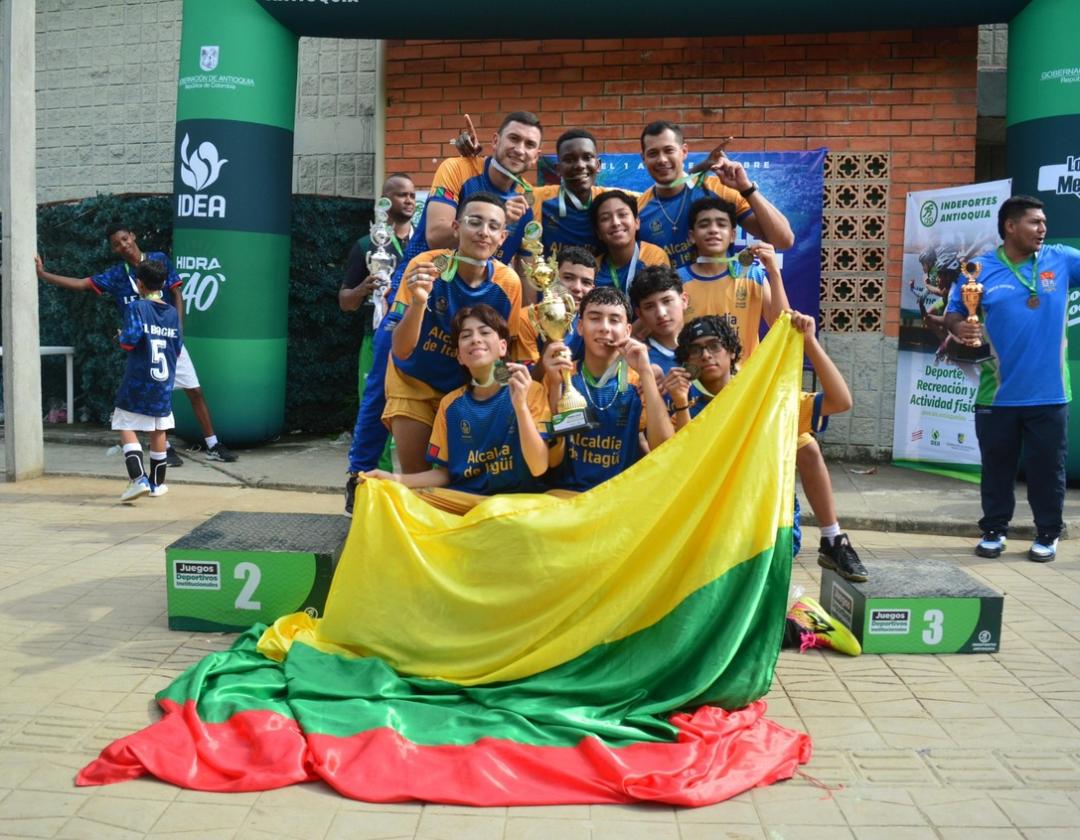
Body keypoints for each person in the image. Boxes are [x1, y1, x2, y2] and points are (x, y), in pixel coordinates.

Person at [343, 112, 542, 515]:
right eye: (513, 139)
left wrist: (541, 326)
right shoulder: (459, 168)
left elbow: (523, 275)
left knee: (466, 437)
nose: (520, 149)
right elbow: (435, 232)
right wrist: (499, 211)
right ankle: (358, 476)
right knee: (384, 381)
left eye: (530, 144)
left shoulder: (528, 203)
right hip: (422, 298)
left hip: (465, 340)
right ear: (495, 139)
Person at [665, 313, 867, 582]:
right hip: (713, 532)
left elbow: (841, 401)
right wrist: (679, 402)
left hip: (768, 527)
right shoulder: (684, 406)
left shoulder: (767, 399)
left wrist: (809, 342)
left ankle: (833, 540)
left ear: (733, 353)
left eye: (714, 346)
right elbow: (681, 465)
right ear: (686, 362)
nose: (705, 355)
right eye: (695, 349)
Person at [945, 195, 1080, 562]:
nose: (1043, 228)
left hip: (1050, 394)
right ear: (1010, 226)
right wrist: (963, 330)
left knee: (1047, 471)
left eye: (1044, 223)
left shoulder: (1062, 260)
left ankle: (1048, 534)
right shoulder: (978, 269)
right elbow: (955, 314)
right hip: (996, 393)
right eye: (1035, 222)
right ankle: (994, 530)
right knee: (997, 469)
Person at [35, 223, 237, 465]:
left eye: (124, 238)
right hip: (145, 347)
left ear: (132, 236)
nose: (123, 245)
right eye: (116, 244)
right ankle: (165, 449)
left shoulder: (158, 260)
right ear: (114, 249)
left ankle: (213, 444)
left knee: (194, 391)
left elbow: (177, 294)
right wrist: (43, 275)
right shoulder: (117, 276)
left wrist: (178, 331)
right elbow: (83, 284)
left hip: (171, 342)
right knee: (154, 396)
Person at [381, 193, 522, 477]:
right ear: (456, 227)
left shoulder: (509, 282)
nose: (484, 232)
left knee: (460, 475)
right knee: (415, 476)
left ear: (503, 237)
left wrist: (507, 401)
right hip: (412, 382)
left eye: (493, 226)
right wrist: (420, 301)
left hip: (465, 391)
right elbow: (401, 349)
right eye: (475, 222)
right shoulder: (426, 264)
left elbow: (509, 349)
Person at [367, 305, 558, 494]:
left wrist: (520, 407)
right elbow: (445, 474)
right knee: (397, 499)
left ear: (503, 346)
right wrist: (394, 479)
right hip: (464, 503)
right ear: (459, 356)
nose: (475, 339)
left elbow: (538, 467)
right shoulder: (450, 404)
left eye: (484, 332)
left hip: (517, 506)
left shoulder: (530, 390)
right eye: (466, 336)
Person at [545, 287, 674, 491]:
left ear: (628, 330)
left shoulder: (638, 380)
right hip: (568, 496)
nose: (604, 328)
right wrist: (555, 386)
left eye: (614, 320)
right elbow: (552, 461)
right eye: (595, 318)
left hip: (620, 499)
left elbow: (665, 449)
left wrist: (646, 371)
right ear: (579, 326)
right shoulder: (563, 376)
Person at [637, 121, 793, 269]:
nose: (662, 159)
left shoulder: (719, 190)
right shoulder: (638, 211)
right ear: (643, 159)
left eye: (669, 150)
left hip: (721, 295)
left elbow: (784, 241)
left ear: (684, 151)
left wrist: (746, 188)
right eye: (653, 153)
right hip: (669, 297)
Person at [340, 174, 416, 473]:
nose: (409, 200)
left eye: (412, 195)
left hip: (416, 341)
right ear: (385, 201)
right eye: (401, 195)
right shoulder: (366, 245)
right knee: (375, 411)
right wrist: (362, 289)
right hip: (376, 339)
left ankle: (420, 487)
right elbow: (345, 301)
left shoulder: (427, 243)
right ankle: (372, 480)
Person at [677, 196, 786, 358]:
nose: (713, 230)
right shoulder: (677, 281)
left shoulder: (752, 275)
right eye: (704, 225)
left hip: (746, 380)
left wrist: (774, 273)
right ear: (692, 236)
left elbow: (781, 326)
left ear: (733, 235)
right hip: (695, 380)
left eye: (721, 224)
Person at [111, 260, 183, 502]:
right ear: (163, 283)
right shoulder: (172, 313)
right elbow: (178, 348)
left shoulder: (137, 307)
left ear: (139, 284)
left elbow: (130, 341)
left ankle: (138, 479)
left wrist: (121, 336)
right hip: (163, 383)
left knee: (124, 423)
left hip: (138, 381)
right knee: (159, 427)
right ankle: (157, 484)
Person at [512, 245, 596, 371]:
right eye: (568, 278)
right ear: (552, 280)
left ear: (592, 290)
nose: (577, 288)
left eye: (586, 282)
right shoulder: (526, 319)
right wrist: (553, 330)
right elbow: (529, 381)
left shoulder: (591, 323)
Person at [529, 129, 606, 254]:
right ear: (558, 169)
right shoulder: (539, 202)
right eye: (569, 159)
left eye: (587, 157)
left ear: (598, 165)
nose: (580, 165)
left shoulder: (612, 204)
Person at [591, 190, 670, 295]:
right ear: (598, 232)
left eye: (622, 214)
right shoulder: (593, 268)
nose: (615, 223)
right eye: (605, 218)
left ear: (637, 222)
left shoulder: (654, 256)